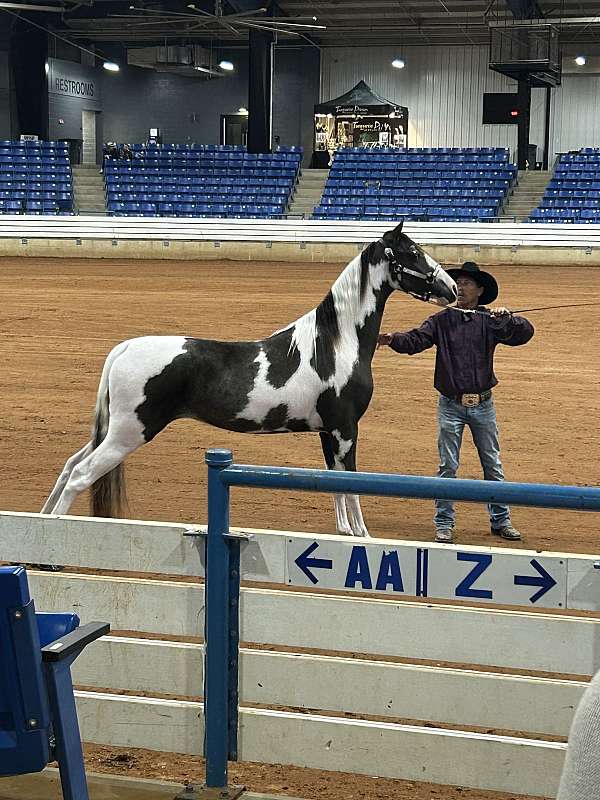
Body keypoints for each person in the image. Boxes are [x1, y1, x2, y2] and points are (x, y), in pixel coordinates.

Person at [377, 261, 534, 544]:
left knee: (492, 464)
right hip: (451, 404)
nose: (461, 287)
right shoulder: (441, 320)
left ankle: (500, 520)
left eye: (467, 283)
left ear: (480, 290)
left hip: (481, 404)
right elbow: (416, 340)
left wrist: (508, 319)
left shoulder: (491, 320)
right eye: (458, 283)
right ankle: (445, 522)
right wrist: (392, 339)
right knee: (448, 466)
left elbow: (524, 333)